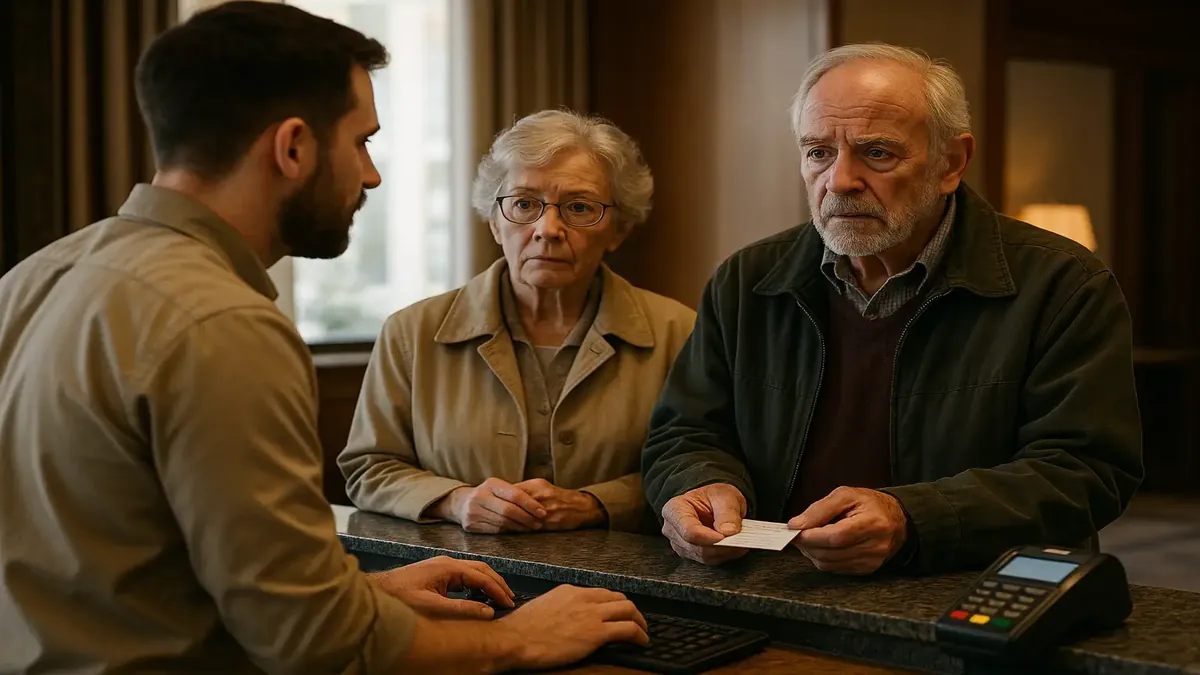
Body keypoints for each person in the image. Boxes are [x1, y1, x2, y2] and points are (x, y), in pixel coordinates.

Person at [0, 3, 648, 673]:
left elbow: (133, 572)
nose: (371, 175)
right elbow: (317, 647)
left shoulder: (31, 279)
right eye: (362, 141)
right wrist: (519, 636)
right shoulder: (225, 324)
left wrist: (358, 594)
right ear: (293, 147)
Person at [642, 43, 1143, 576]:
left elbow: (1086, 473)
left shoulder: (1064, 285)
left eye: (876, 153)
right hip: (778, 585)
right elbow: (685, 433)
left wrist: (912, 519)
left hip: (973, 597)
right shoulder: (747, 281)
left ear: (952, 162)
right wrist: (696, 485)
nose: (839, 180)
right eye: (818, 153)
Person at [339, 110, 696, 535]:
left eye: (579, 207)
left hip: (622, 585)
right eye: (524, 204)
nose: (548, 229)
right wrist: (455, 500)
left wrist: (597, 504)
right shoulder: (411, 333)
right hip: (455, 580)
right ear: (493, 221)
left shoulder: (679, 332)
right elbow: (369, 468)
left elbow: (696, 468)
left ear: (618, 229)